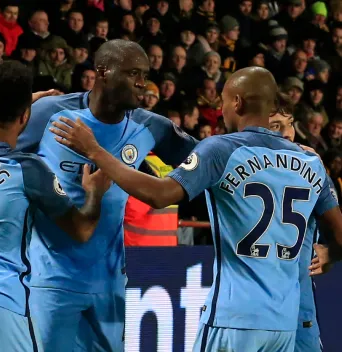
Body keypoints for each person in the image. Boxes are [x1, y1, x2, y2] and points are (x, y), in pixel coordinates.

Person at [0, 40, 199, 351]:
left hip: (108, 280)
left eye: (146, 76)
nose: (143, 83)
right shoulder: (50, 113)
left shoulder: (152, 127)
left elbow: (207, 161)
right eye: (134, 74)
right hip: (48, 280)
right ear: (103, 72)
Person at [50, 66, 342, 351]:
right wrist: (330, 255)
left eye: (224, 101)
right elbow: (340, 236)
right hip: (284, 322)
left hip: (233, 316)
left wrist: (95, 151)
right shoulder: (311, 163)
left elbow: (160, 194)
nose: (222, 109)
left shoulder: (223, 149)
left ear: (237, 102)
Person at [0, 61, 111, 352]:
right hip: (0, 301)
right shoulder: (27, 169)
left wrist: (25, 103)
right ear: (25, 116)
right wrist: (95, 193)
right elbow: (81, 229)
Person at [268, 111, 333, 352]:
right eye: (276, 125)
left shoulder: (310, 162)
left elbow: (332, 216)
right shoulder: (241, 160)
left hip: (298, 295)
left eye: (290, 124)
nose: (286, 132)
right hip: (254, 296)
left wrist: (331, 248)